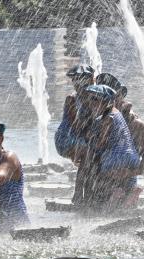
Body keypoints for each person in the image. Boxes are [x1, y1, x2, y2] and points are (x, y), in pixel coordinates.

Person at [96, 73, 144, 207]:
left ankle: (129, 194)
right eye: (101, 98)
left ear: (120, 96)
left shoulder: (136, 126)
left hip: (126, 181)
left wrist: (128, 172)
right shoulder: (98, 122)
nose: (105, 102)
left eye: (112, 97)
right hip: (101, 183)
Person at [76, 84, 140, 211]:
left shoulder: (108, 117)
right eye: (90, 100)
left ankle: (113, 194)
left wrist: (92, 141)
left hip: (115, 158)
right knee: (127, 182)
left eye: (95, 100)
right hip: (131, 157)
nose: (91, 103)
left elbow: (101, 142)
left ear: (105, 101)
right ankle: (130, 194)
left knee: (100, 176)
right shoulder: (117, 113)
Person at [54, 64, 95, 205]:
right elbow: (75, 125)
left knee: (91, 160)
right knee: (88, 156)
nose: (78, 85)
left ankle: (88, 194)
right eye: (76, 82)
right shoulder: (72, 99)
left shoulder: (91, 98)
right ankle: (79, 195)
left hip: (78, 137)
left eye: (81, 81)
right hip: (66, 138)